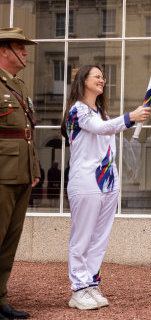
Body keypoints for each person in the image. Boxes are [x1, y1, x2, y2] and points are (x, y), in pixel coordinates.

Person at [60, 65, 150, 310]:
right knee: (82, 238)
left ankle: (90, 284)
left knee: (99, 238)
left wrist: (127, 120)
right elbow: (99, 130)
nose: (102, 80)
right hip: (86, 181)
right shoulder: (77, 110)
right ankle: (78, 289)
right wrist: (131, 118)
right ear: (83, 81)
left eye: (103, 77)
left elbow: (106, 131)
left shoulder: (101, 112)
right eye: (97, 76)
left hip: (108, 183)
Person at [0, 27, 41, 320]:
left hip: (21, 172)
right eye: (20, 47)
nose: (26, 52)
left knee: (10, 241)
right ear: (4, 50)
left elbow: (27, 132)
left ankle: (0, 299)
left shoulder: (21, 86)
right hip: (2, 172)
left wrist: (34, 168)